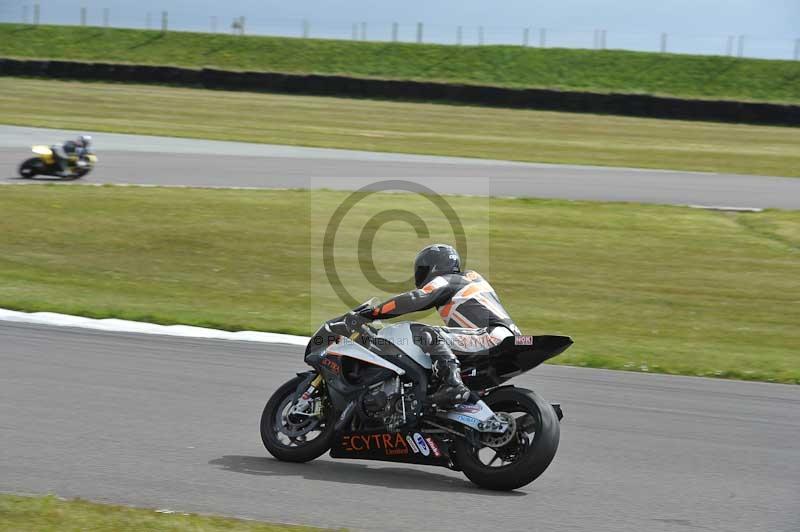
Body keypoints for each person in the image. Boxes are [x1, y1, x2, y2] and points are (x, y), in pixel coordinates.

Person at [358, 243, 521, 408]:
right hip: (513, 339)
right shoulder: (470, 279)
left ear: (435, 266)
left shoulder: (447, 280)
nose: (419, 275)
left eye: (422, 269)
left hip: (492, 337)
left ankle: (453, 384)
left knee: (422, 333)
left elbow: (415, 298)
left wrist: (372, 313)